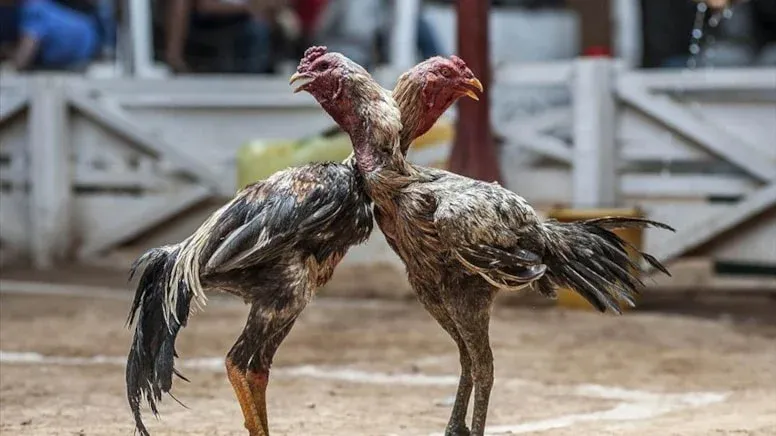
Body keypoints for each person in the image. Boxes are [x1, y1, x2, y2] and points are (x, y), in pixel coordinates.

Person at [164, 0, 285, 74]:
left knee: (263, 25)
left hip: (244, 19)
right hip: (209, 19)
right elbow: (205, 6)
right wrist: (248, 8)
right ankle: (174, 57)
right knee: (257, 31)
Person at [11, 0, 100, 71]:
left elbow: (29, 43)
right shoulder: (44, 5)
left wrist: (14, 66)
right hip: (88, 42)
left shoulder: (32, 7)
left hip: (81, 46)